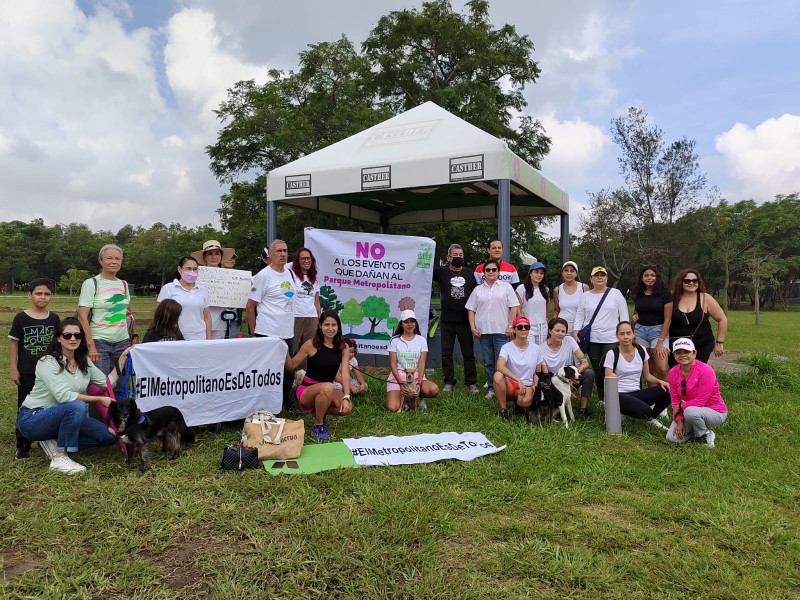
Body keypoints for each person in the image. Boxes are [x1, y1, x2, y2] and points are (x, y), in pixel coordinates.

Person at [16, 318, 128, 473]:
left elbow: (106, 383)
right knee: (77, 405)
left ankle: (54, 441)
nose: (73, 339)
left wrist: (120, 362)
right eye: (67, 335)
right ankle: (60, 457)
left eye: (77, 335)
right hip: (34, 418)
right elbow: (64, 396)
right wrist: (99, 399)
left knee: (107, 436)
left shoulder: (84, 361)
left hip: (65, 416)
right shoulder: (47, 361)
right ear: (58, 338)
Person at [8, 278, 60, 459]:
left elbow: (57, 344)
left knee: (51, 404)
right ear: (29, 295)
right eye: (38, 293)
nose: (42, 297)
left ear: (51, 296)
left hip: (49, 371)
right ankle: (23, 445)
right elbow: (14, 343)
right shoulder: (21, 318)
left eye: (47, 294)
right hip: (27, 370)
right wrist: (13, 368)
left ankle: (49, 438)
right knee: (25, 406)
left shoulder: (54, 318)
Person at [286, 311, 353, 441]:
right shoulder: (310, 344)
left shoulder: (343, 347)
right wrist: (283, 349)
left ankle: (319, 409)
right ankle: (318, 425)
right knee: (328, 387)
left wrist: (346, 396)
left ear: (338, 327)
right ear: (320, 326)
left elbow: (345, 373)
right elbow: (291, 366)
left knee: (346, 409)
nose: (330, 328)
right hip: (307, 390)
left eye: (334, 325)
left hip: (327, 389)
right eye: (326, 324)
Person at [247, 239, 297, 412]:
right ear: (270, 254)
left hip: (287, 331)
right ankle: (264, 404)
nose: (283, 254)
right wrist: (254, 333)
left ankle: (285, 401)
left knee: (288, 371)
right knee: (267, 372)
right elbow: (250, 307)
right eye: (279, 251)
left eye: (285, 251)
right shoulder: (263, 276)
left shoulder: (290, 274)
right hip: (267, 332)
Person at [466, 258, 520, 399]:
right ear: (483, 273)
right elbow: (471, 309)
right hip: (483, 332)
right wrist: (472, 327)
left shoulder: (506, 287)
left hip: (502, 331)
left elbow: (514, 306)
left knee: (502, 363)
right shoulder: (478, 290)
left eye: (494, 269)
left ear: (498, 272)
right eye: (488, 270)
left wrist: (510, 326)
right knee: (489, 362)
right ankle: (491, 388)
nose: (491, 272)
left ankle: (505, 387)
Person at [572, 266, 629, 402]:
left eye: (602, 275)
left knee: (609, 368)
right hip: (592, 338)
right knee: (597, 370)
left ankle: (615, 397)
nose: (599, 278)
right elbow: (580, 315)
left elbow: (624, 315)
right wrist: (575, 331)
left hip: (611, 338)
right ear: (591, 279)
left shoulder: (616, 293)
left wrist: (626, 333)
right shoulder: (585, 296)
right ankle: (602, 399)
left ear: (606, 279)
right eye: (596, 275)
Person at [77, 244, 135, 376]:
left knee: (121, 385)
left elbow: (128, 313)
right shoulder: (91, 283)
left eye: (118, 258)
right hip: (99, 342)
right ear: (100, 261)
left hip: (122, 342)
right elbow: (82, 316)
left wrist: (134, 335)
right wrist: (90, 345)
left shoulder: (124, 284)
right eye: (109, 258)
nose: (114, 262)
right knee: (101, 385)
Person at [603, 321, 670, 430]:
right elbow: (608, 377)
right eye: (622, 334)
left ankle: (651, 418)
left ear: (634, 334)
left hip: (636, 393)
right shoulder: (612, 354)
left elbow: (647, 375)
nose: (625, 337)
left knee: (669, 390)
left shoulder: (641, 350)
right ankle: (618, 412)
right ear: (617, 336)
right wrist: (611, 374)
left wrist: (661, 382)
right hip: (619, 395)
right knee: (646, 411)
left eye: (628, 333)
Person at [431, 243, 479, 393]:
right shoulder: (441, 272)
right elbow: (423, 270)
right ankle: (449, 382)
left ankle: (471, 382)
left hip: (465, 320)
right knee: (446, 354)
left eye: (460, 255)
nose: (458, 258)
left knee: (468, 354)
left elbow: (477, 294)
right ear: (448, 257)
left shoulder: (469, 273)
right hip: (446, 321)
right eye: (455, 255)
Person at [666, 338, 727, 448]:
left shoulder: (706, 371)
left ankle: (705, 434)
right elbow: (674, 399)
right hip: (688, 411)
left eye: (687, 352)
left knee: (690, 412)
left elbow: (700, 402)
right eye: (678, 352)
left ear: (694, 353)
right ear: (674, 355)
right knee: (672, 438)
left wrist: (680, 406)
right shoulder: (672, 373)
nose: (682, 355)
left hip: (714, 411)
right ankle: (696, 430)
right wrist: (679, 422)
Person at [668, 269, 728, 365]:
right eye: (687, 281)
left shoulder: (705, 298)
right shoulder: (671, 297)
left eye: (695, 281)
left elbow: (722, 319)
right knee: (677, 372)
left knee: (696, 371)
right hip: (676, 345)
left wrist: (719, 343)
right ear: (680, 282)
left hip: (701, 344)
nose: (691, 283)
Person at [493, 316, 547, 421]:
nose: (523, 329)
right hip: (510, 385)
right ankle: (503, 410)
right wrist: (517, 380)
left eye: (526, 327)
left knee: (524, 401)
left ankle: (519, 405)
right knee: (498, 375)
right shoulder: (506, 347)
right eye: (520, 327)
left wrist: (535, 386)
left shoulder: (536, 348)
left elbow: (538, 372)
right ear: (514, 329)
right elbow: (500, 366)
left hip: (527, 385)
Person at [539, 317, 594, 418]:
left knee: (589, 373)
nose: (560, 334)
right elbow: (546, 376)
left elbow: (584, 362)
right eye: (557, 330)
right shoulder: (541, 349)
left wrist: (578, 370)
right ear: (550, 330)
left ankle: (583, 409)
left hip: (570, 378)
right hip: (554, 384)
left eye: (563, 331)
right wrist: (564, 390)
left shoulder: (569, 340)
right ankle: (557, 408)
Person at [385, 310, 440, 412]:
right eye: (406, 321)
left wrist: (418, 383)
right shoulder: (394, 340)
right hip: (398, 376)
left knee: (434, 390)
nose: (409, 324)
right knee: (393, 407)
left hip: (416, 376)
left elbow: (422, 363)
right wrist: (401, 384)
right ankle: (404, 399)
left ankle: (419, 397)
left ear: (415, 323)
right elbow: (392, 364)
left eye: (412, 321)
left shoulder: (421, 340)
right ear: (401, 324)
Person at [631, 265, 672, 381]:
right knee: (650, 369)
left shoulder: (665, 293)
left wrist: (660, 342)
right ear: (642, 278)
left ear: (657, 277)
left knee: (662, 368)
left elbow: (668, 319)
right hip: (640, 332)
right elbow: (636, 312)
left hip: (658, 333)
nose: (649, 278)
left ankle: (669, 395)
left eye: (652, 275)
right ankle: (653, 397)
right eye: (646, 275)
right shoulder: (639, 293)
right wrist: (633, 322)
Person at [156, 256, 211, 341]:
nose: (192, 272)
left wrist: (209, 337)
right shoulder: (168, 288)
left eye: (195, 269)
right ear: (180, 269)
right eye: (188, 268)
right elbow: (160, 315)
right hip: (175, 337)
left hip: (200, 337)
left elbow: (207, 316)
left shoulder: (202, 290)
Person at [190, 239, 237, 339]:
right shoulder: (195, 275)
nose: (214, 257)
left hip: (220, 322)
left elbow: (235, 298)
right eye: (210, 254)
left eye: (217, 254)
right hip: (198, 322)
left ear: (221, 257)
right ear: (205, 257)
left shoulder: (230, 276)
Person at [290, 247, 321, 361]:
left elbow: (317, 302)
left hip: (312, 317)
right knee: (292, 347)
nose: (306, 261)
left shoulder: (314, 279)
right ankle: (289, 374)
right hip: (296, 316)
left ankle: (304, 375)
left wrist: (318, 319)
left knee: (310, 348)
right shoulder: (291, 275)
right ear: (297, 261)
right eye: (303, 258)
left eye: (309, 258)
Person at [518, 261, 550, 345]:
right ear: (530, 273)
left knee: (541, 351)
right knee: (529, 350)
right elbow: (518, 308)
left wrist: (545, 318)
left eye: (541, 273)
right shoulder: (522, 288)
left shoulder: (545, 289)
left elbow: (547, 304)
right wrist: (521, 322)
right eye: (536, 272)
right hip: (528, 326)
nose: (539, 275)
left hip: (542, 327)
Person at [552, 261, 589, 332]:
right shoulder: (557, 290)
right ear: (562, 273)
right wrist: (553, 325)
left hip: (579, 329)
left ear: (576, 274)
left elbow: (587, 310)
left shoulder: (584, 288)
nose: (569, 273)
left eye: (572, 271)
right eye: (566, 270)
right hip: (561, 330)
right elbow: (556, 310)